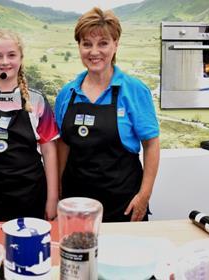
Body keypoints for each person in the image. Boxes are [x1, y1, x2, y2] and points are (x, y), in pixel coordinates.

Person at [54, 7, 160, 222]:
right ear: (79, 47)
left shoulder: (133, 90)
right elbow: (63, 145)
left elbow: (151, 144)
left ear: (115, 45)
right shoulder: (68, 93)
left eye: (103, 43)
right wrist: (57, 192)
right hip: (76, 204)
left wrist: (144, 196)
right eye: (87, 44)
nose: (94, 52)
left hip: (122, 203)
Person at [0, 30, 59, 222]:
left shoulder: (37, 101)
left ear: (21, 59)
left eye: (11, 55)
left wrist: (52, 198)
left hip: (30, 193)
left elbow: (49, 152)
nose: (5, 61)